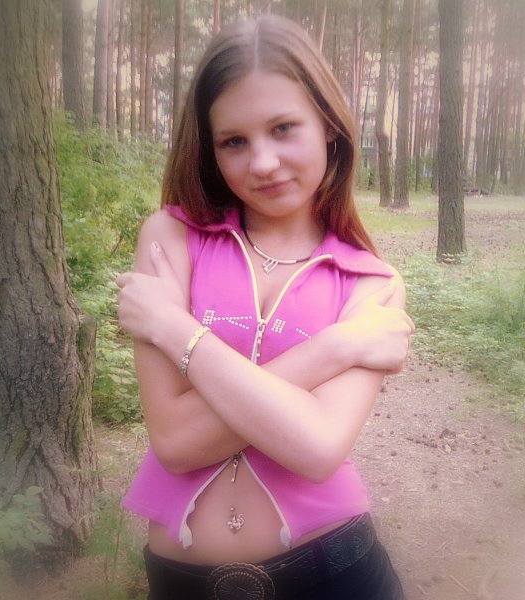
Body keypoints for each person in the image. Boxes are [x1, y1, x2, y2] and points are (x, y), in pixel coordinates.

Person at [115, 14, 414, 600]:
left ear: (329, 127)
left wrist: (174, 329)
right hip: (182, 586)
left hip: (336, 577)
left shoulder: (372, 284)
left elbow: (317, 448)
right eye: (234, 141)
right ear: (210, 149)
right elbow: (175, 443)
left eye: (283, 128)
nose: (263, 163)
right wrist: (335, 347)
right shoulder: (169, 240)